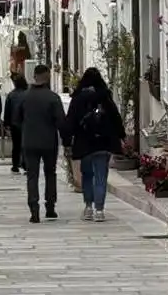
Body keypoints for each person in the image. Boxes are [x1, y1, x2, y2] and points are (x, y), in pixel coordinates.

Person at [65, 66, 125, 222]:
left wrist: (67, 141)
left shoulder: (78, 98)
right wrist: (121, 136)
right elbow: (115, 117)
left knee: (87, 176)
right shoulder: (105, 97)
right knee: (101, 176)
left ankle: (88, 207)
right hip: (103, 142)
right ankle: (100, 210)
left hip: (85, 143)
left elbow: (70, 121)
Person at [15, 64, 67, 223]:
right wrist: (67, 141)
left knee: (32, 175)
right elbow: (61, 122)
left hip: (29, 142)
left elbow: (16, 120)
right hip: (48, 142)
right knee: (50, 174)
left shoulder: (23, 97)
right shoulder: (53, 97)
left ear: (34, 76)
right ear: (47, 76)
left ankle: (34, 209)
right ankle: (50, 207)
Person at [3, 73, 28, 174]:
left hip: (14, 124)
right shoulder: (28, 94)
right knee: (26, 145)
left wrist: (6, 125)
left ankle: (15, 166)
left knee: (16, 146)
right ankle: (26, 166)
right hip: (27, 124)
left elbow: (7, 111)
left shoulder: (11, 95)